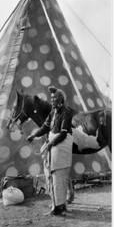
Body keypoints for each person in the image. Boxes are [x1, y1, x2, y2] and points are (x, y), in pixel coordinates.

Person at [26, 86, 74, 215]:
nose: (52, 101)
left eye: (55, 99)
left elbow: (63, 133)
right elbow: (46, 127)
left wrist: (50, 144)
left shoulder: (66, 112)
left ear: (61, 100)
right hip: (53, 145)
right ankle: (57, 205)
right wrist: (34, 135)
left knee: (59, 176)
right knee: (51, 176)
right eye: (51, 99)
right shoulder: (53, 112)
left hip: (61, 145)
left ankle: (59, 207)